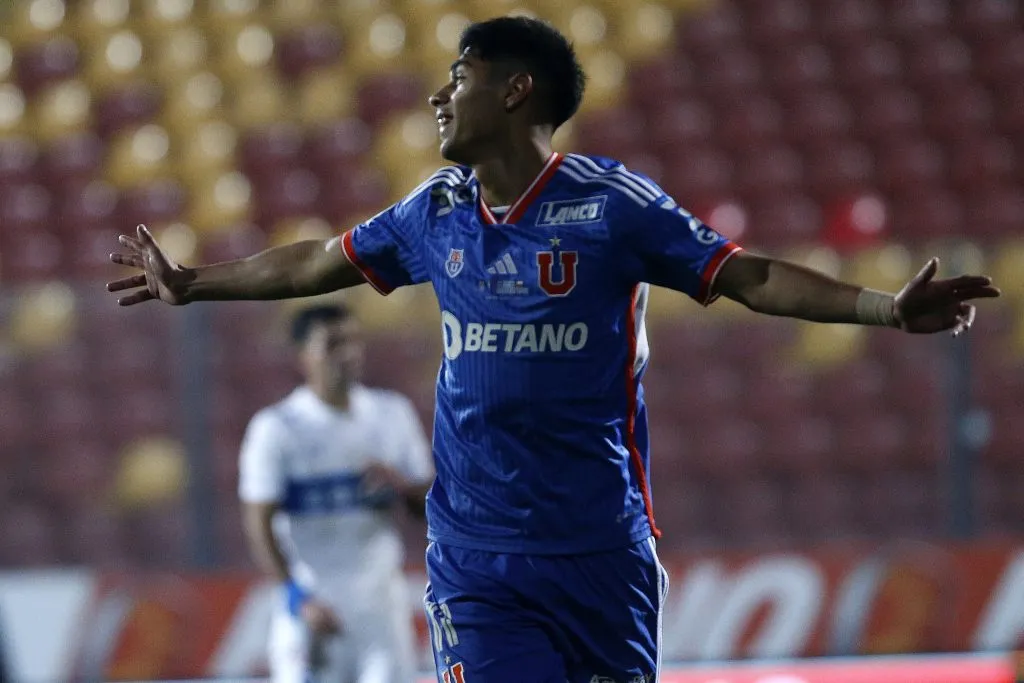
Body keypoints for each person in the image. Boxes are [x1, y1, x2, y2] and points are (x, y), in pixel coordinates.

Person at [108, 16, 1000, 683]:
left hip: (601, 550)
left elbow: (748, 276)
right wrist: (194, 283)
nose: (438, 97)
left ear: (515, 91)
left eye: (459, 77)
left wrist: (886, 308)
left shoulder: (615, 206)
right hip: (476, 556)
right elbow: (317, 260)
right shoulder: (435, 210)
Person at [237, 303, 432, 683]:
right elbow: (258, 523)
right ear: (302, 356)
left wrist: (400, 484)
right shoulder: (277, 427)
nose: (348, 353)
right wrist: (296, 598)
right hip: (315, 601)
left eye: (353, 341)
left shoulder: (392, 413)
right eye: (333, 344)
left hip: (381, 607)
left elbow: (429, 505)